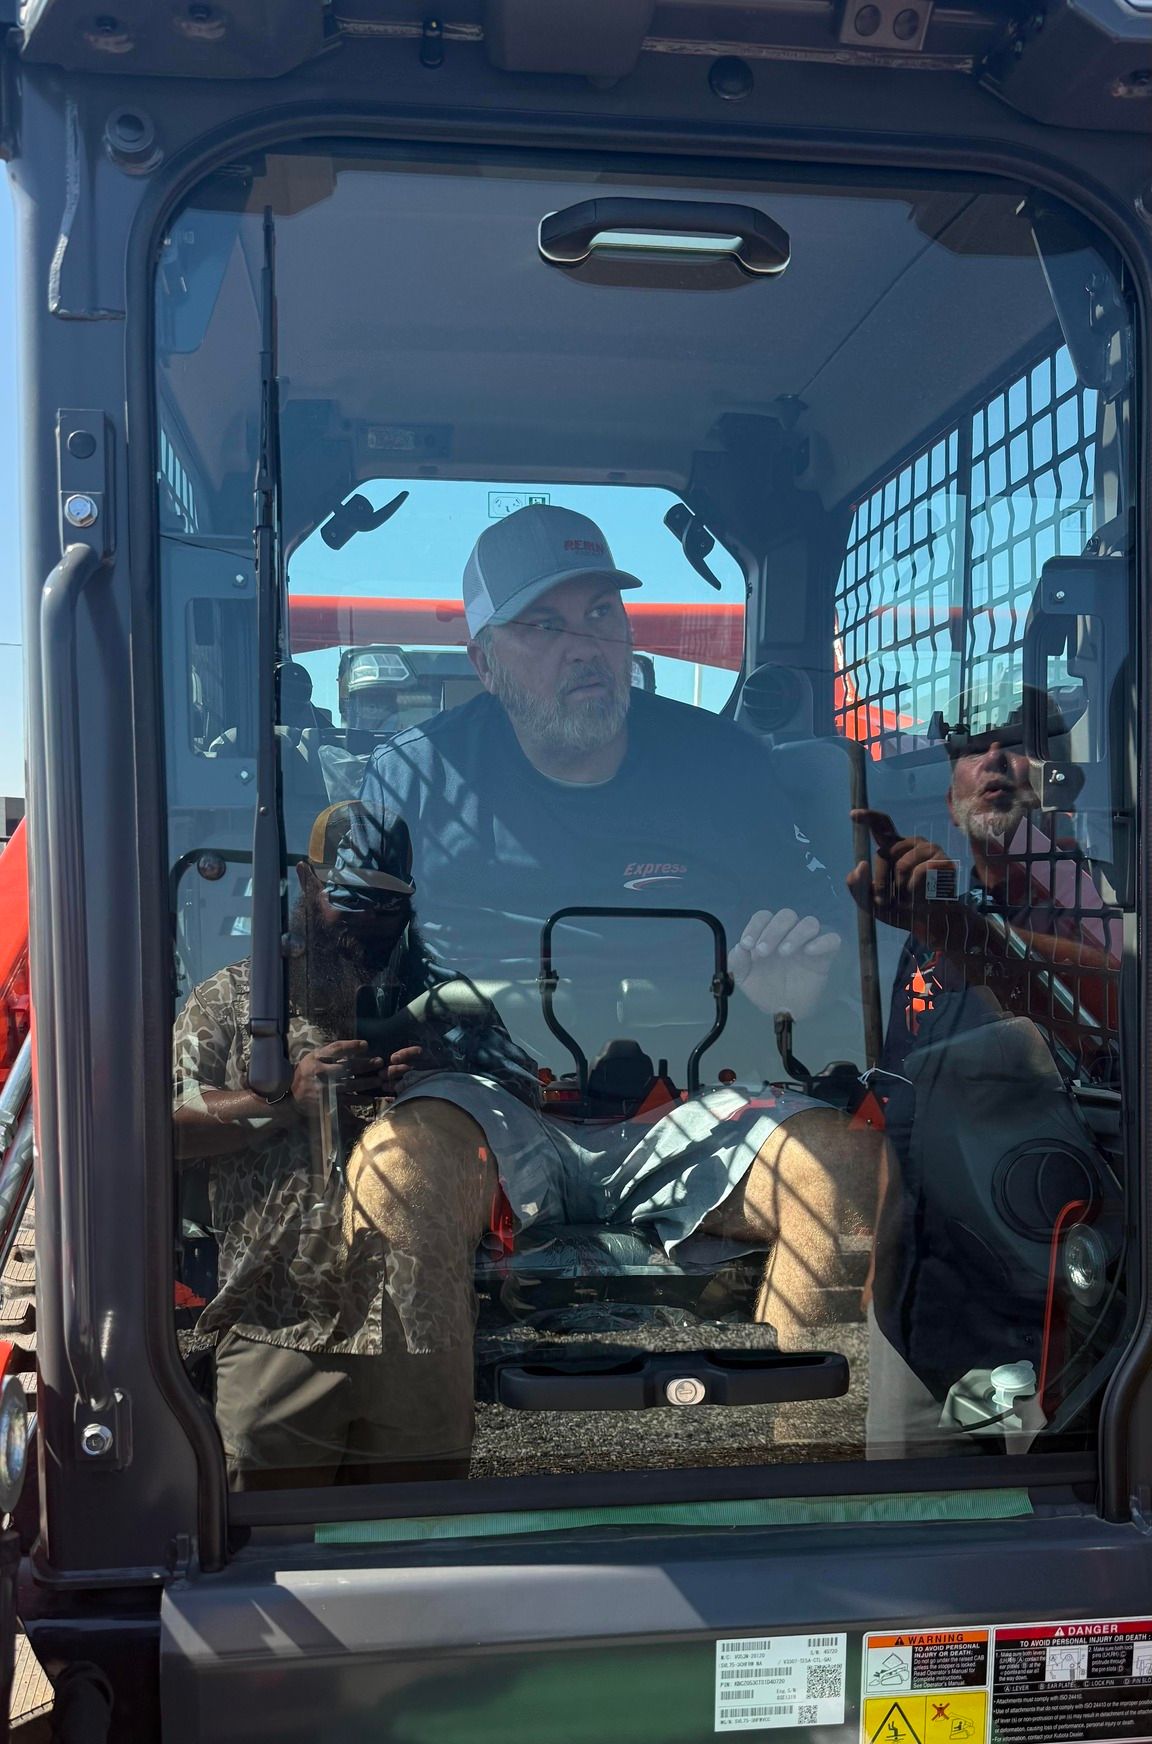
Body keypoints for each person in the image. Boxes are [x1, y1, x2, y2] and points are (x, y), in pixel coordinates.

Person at [337, 506, 880, 1357]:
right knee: (393, 1177)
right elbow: (344, 968)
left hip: (701, 1093)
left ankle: (804, 1474)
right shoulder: (414, 778)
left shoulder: (723, 764)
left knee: (844, 1175)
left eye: (602, 615)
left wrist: (797, 997)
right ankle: (418, 1481)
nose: (583, 645)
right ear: (484, 661)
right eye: (544, 626)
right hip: (490, 1100)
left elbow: (829, 943)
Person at [173, 802, 535, 1489]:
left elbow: (534, 1101)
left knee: (416, 1550)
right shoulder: (234, 1004)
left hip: (421, 1331)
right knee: (266, 1557)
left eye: (390, 906)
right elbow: (157, 1125)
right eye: (351, 899)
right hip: (279, 1323)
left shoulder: (448, 1005)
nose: (370, 921)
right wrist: (278, 1101)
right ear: (308, 886)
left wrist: (447, 1085)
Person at [848, 731, 1122, 1456]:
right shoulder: (926, 933)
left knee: (1028, 1532)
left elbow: (1102, 1025)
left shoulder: (1106, 899)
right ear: (951, 796)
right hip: (920, 1297)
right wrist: (879, 1261)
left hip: (1045, 1306)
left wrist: (971, 937)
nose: (995, 761)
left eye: (1018, 743)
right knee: (903, 1531)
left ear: (1061, 779)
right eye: (973, 749)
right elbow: (899, 1097)